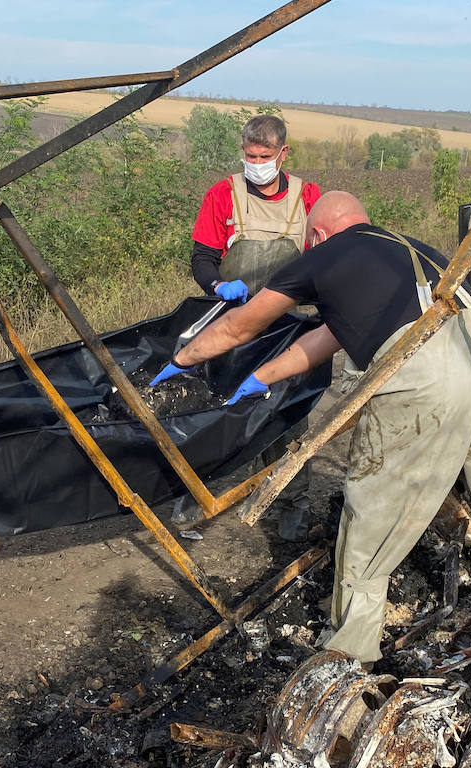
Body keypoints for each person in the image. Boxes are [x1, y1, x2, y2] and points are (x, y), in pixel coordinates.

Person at [151, 191, 471, 667]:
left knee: (372, 519)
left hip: (429, 378)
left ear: (319, 234)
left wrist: (181, 360)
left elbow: (241, 326)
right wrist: (262, 376)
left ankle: (349, 656)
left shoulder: (326, 255)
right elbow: (329, 336)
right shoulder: (410, 249)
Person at [183, 113, 322, 539]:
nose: (256, 164)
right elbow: (202, 257)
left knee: (288, 420)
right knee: (212, 412)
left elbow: (327, 258)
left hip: (286, 329)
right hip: (230, 324)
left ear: (284, 153)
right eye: (250, 156)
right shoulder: (223, 194)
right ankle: (191, 501)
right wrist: (217, 284)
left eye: (265, 156)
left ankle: (292, 505)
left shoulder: (308, 197)